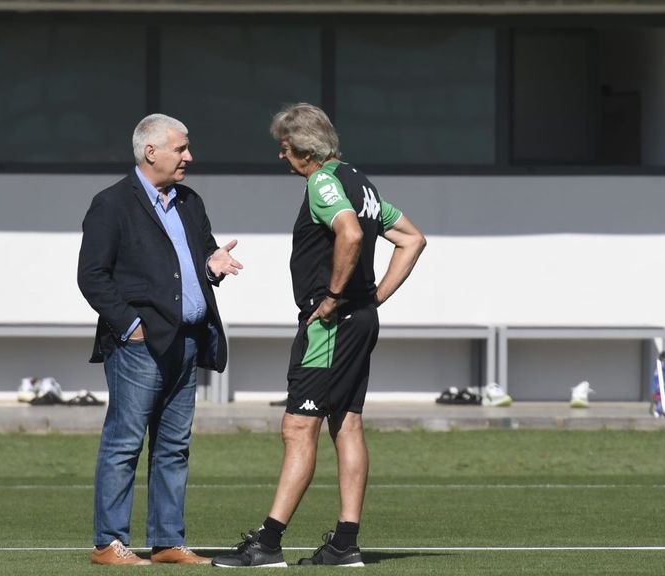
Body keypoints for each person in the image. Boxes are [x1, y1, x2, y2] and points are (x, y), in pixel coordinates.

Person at [212, 103, 426, 568]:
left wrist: (332, 297)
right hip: (359, 319)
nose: (281, 157)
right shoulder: (360, 181)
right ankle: (345, 544)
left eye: (284, 149)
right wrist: (374, 299)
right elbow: (412, 239)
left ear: (304, 150)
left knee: (298, 426)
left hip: (330, 325)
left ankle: (267, 544)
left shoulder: (323, 182)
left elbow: (348, 234)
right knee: (346, 422)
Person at [77, 113, 242, 566]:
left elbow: (199, 258)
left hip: (187, 342)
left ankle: (168, 542)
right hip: (138, 347)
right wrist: (131, 326)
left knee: (174, 446)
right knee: (125, 443)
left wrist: (213, 268)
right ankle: (108, 544)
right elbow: (92, 276)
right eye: (181, 148)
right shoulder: (112, 204)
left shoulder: (189, 201)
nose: (189, 156)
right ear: (152, 152)